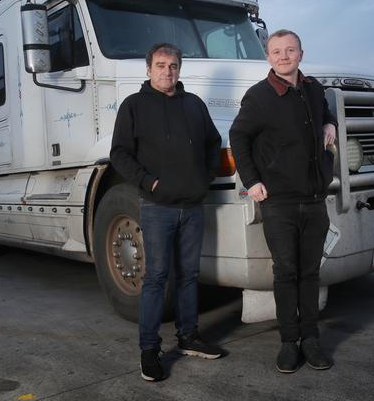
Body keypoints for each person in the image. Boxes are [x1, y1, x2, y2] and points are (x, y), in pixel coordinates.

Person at [110, 42, 224, 382]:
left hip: (193, 206)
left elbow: (213, 144)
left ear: (179, 69)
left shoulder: (194, 105)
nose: (167, 71)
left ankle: (189, 337)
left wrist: (204, 178)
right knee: (157, 278)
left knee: (189, 276)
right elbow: (119, 153)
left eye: (173, 65)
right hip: (157, 207)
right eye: (160, 65)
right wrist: (150, 183)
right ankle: (149, 349)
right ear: (148, 69)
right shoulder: (133, 106)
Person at [229, 29, 337, 373]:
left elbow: (323, 114)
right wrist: (252, 181)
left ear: (301, 54)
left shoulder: (314, 89)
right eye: (277, 51)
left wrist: (330, 123)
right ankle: (289, 343)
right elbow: (238, 136)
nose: (284, 56)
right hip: (280, 203)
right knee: (286, 273)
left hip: (315, 198)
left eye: (290, 50)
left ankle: (312, 340)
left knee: (310, 272)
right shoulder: (259, 96)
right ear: (269, 58)